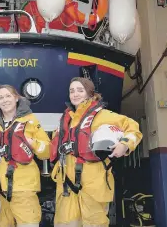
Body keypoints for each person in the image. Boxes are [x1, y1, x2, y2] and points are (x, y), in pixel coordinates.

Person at [50, 77, 143, 227]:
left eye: (80, 90)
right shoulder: (66, 120)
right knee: (65, 223)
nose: (75, 94)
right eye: (72, 91)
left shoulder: (102, 115)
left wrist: (124, 144)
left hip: (93, 185)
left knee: (95, 223)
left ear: (90, 93)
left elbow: (132, 127)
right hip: (66, 185)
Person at [0, 84, 51, 227]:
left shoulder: (31, 122)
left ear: (16, 98)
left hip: (23, 190)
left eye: (8, 96)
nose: (5, 100)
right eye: (1, 97)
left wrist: (33, 143)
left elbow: (47, 152)